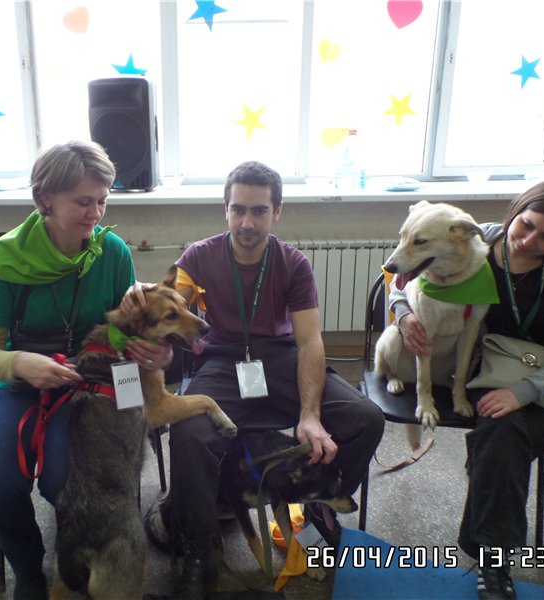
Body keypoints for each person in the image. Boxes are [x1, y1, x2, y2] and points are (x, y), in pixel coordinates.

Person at [125, 160, 385, 599]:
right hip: (223, 362)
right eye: (238, 210)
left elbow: (310, 342)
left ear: (276, 212)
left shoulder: (294, 264)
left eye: (259, 211)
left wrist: (310, 414)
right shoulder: (198, 257)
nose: (247, 222)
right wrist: (142, 299)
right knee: (189, 433)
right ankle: (200, 551)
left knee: (366, 418)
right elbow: (169, 307)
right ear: (225, 210)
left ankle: (316, 507)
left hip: (282, 359)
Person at [0, 140, 171, 600]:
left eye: (103, 200)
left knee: (74, 479)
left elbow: (123, 335)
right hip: (20, 381)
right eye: (82, 202)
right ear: (45, 199)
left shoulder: (112, 252)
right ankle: (28, 567)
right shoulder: (2, 260)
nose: (95, 213)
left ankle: (84, 559)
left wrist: (152, 360)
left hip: (92, 381)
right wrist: (20, 363)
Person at [392, 177, 544, 600]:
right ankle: (491, 507)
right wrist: (402, 314)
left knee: (503, 432)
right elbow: (402, 282)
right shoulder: (477, 240)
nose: (528, 241)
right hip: (482, 369)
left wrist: (521, 392)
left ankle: (494, 562)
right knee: (498, 433)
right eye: (526, 224)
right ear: (517, 210)